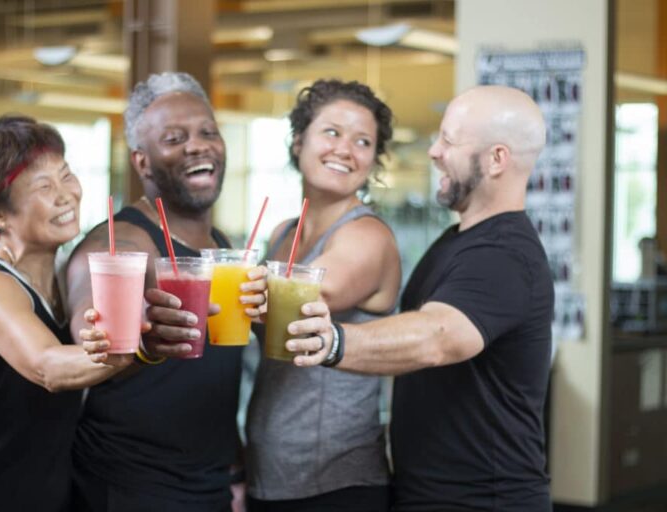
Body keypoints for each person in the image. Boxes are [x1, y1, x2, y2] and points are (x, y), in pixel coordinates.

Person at [288, 85, 553, 511]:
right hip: (427, 494)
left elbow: (437, 337)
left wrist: (333, 342)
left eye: (448, 140)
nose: (433, 152)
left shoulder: (504, 254)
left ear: (497, 159)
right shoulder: (459, 241)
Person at [66, 72, 265, 512]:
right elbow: (89, 338)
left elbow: (212, 379)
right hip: (127, 491)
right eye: (175, 138)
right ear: (142, 162)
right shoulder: (117, 247)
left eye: (208, 132)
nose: (197, 145)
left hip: (208, 488)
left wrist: (235, 471)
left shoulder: (224, 247)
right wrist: (136, 342)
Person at [0, 115, 132, 512]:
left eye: (66, 175)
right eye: (42, 186)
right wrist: (140, 344)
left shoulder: (61, 277)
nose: (65, 195)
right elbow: (49, 367)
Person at [244, 79, 400, 512]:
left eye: (363, 141)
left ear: (372, 160)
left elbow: (308, 294)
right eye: (331, 132)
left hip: (337, 482)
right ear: (299, 141)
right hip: (269, 471)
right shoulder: (282, 234)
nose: (345, 149)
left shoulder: (367, 235)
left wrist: (216, 283)